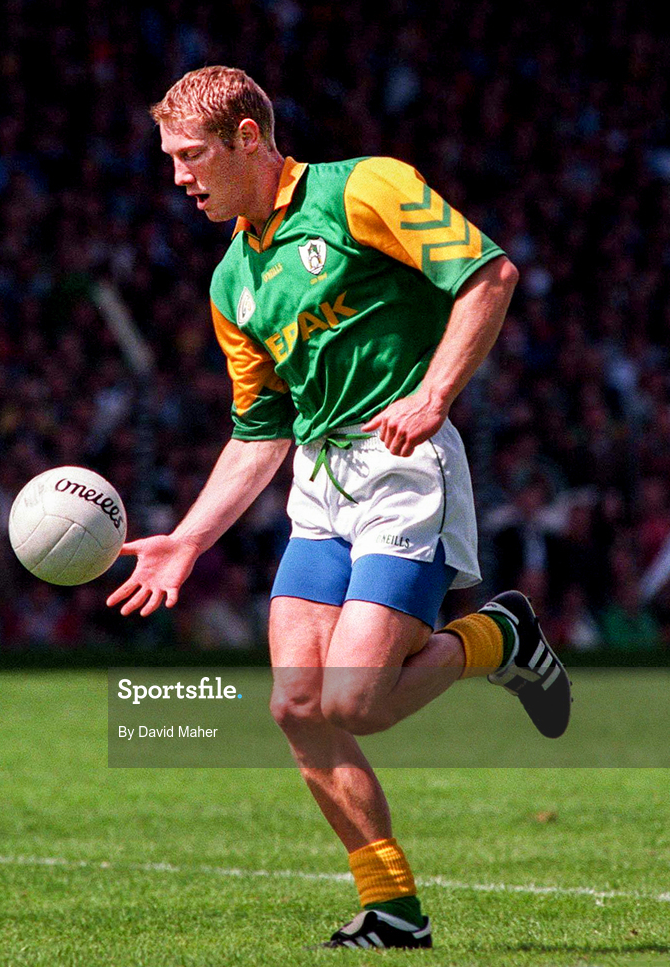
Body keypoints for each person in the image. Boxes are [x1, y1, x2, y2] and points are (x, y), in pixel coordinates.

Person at [108, 66, 572, 951]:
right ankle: (392, 905)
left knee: (355, 697)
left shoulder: (366, 187)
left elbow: (491, 275)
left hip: (405, 464)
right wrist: (191, 540)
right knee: (295, 703)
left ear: (250, 139)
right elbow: (260, 432)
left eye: (190, 155)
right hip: (320, 484)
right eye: (168, 158)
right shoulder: (230, 284)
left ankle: (500, 635)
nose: (177, 177)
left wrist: (434, 393)